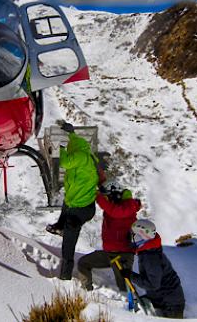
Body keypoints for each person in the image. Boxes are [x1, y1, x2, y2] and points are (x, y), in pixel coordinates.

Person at [46, 121, 99, 280]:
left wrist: (59, 149)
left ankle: (65, 276)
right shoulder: (82, 152)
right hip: (79, 203)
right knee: (66, 204)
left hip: (80, 210)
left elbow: (65, 161)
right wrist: (71, 133)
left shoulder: (81, 157)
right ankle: (59, 227)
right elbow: (75, 144)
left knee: (68, 246)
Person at [77, 186, 141, 291]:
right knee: (125, 287)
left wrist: (98, 196)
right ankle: (87, 291)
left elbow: (113, 210)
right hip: (118, 254)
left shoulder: (121, 210)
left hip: (118, 255)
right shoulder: (127, 210)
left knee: (124, 286)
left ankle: (87, 290)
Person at [121, 219, 185, 319]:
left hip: (171, 305)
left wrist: (131, 275)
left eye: (133, 235)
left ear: (140, 237)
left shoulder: (150, 257)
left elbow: (152, 284)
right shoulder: (148, 251)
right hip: (162, 298)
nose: (131, 238)